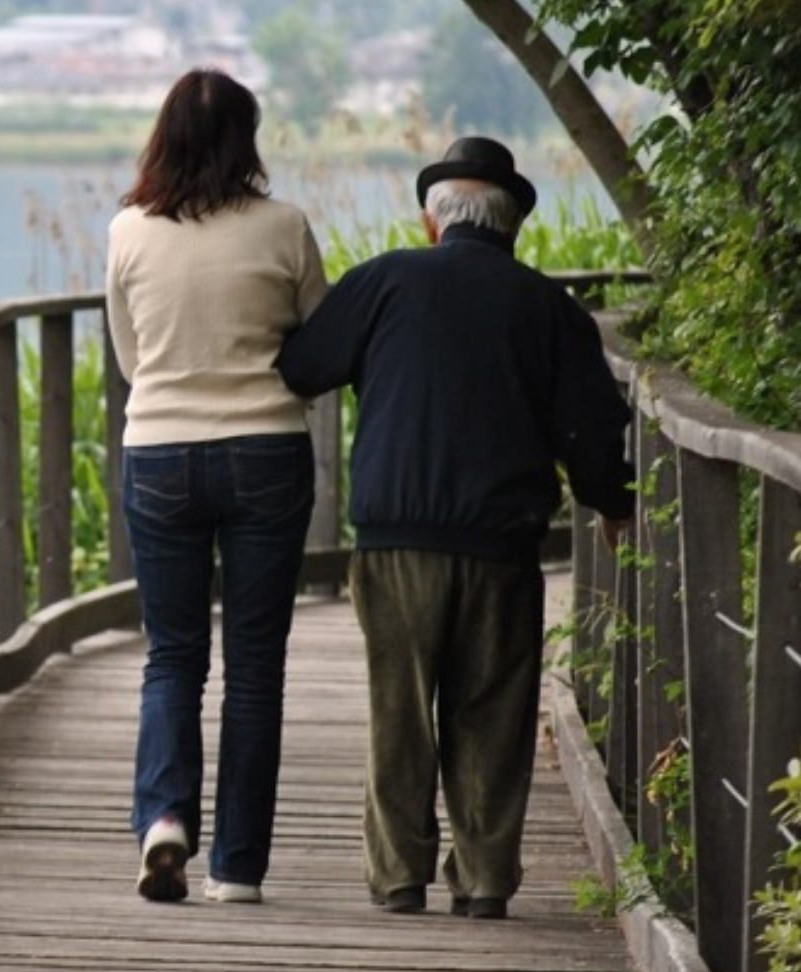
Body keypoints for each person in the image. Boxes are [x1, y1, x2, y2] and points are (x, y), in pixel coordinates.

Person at [276, 136, 635, 920]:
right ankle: (481, 882)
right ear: (511, 229)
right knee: (492, 717)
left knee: (398, 713)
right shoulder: (548, 308)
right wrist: (612, 503)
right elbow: (590, 430)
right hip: (503, 548)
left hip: (395, 539)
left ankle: (399, 877)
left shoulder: (381, 281)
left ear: (432, 221)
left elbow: (303, 366)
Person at [106, 68, 328, 904]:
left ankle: (163, 817)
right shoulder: (284, 226)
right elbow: (318, 340)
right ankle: (236, 866)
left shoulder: (128, 230)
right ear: (246, 138)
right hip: (266, 447)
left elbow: (131, 358)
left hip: (160, 449)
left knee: (171, 655)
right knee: (255, 665)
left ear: (163, 135)